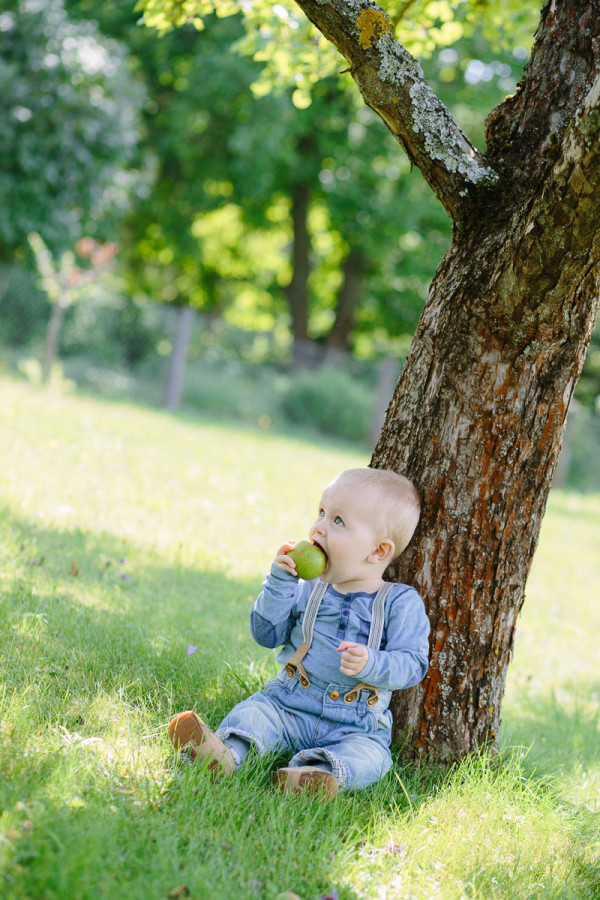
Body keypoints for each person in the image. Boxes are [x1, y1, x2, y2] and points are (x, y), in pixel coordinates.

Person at [168, 467, 430, 795]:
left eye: (338, 521)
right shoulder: (309, 587)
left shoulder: (400, 602)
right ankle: (225, 755)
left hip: (356, 726)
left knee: (371, 756)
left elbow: (414, 664)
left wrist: (371, 664)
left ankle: (315, 776)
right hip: (288, 703)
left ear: (378, 551)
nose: (318, 527)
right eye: (321, 513)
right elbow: (267, 635)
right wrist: (280, 583)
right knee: (255, 714)